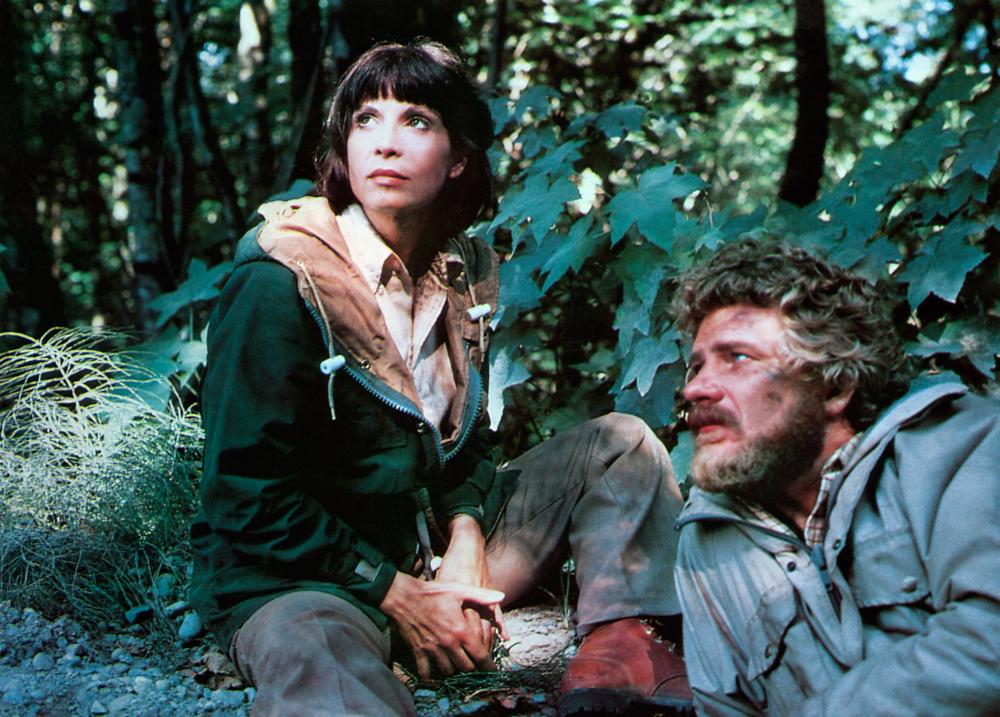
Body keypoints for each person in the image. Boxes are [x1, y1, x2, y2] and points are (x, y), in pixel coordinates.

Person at [189, 40, 693, 716]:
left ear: (458, 157)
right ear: (343, 147)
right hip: (308, 579)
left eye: (417, 121)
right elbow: (243, 495)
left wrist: (466, 537)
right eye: (365, 120)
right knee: (324, 667)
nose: (385, 143)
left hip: (425, 547)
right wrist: (395, 592)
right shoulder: (280, 281)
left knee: (621, 445)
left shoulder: (461, 269)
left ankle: (621, 653)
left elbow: (466, 441)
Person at [671, 239, 1000, 715]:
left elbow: (989, 643)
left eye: (737, 357)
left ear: (835, 387)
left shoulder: (960, 449)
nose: (695, 388)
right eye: (697, 365)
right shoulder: (706, 540)